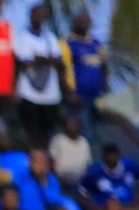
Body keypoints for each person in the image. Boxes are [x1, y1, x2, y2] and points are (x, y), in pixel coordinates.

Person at [14, 2, 65, 149]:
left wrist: (39, 58)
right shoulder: (22, 37)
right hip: (29, 94)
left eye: (41, 14)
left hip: (50, 95)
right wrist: (47, 59)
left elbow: (59, 61)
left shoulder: (50, 38)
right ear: (30, 17)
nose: (38, 17)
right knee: (31, 132)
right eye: (35, 14)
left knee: (47, 133)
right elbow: (25, 63)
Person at [62, 11, 108, 140]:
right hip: (78, 97)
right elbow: (62, 69)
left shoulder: (96, 44)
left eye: (87, 21)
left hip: (97, 97)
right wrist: (70, 92)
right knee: (81, 132)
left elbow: (104, 66)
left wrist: (104, 87)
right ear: (74, 23)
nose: (84, 24)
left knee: (97, 133)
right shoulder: (67, 42)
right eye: (81, 21)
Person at [79, 143, 139, 208]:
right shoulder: (93, 172)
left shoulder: (131, 166)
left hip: (129, 207)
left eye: (113, 155)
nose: (111, 159)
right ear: (103, 157)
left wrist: (138, 203)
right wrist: (94, 208)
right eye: (108, 156)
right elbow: (83, 194)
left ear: (119, 155)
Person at [49, 114, 91, 185]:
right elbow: (51, 162)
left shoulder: (84, 142)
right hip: (61, 179)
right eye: (70, 124)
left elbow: (88, 164)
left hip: (81, 180)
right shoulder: (58, 140)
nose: (72, 127)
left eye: (75, 124)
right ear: (64, 126)